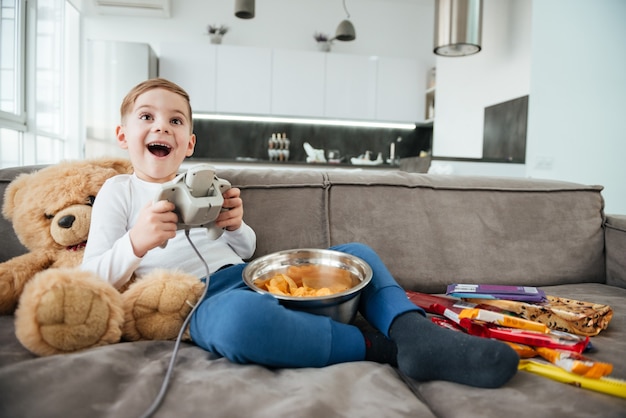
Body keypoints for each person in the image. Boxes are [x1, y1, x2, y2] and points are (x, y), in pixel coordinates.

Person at [81, 78, 519, 389]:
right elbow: (91, 280)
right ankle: (377, 346)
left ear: (189, 142)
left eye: (176, 121)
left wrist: (234, 226)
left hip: (248, 276)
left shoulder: (200, 181)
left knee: (356, 254)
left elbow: (244, 251)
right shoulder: (118, 192)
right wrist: (136, 242)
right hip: (195, 302)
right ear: (124, 135)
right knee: (238, 324)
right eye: (147, 117)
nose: (162, 127)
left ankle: (415, 335)